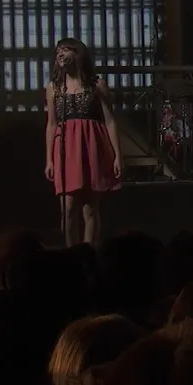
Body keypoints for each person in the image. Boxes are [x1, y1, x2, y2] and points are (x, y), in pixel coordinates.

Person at [45, 38, 122, 247]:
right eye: (58, 51)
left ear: (78, 54)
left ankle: (89, 252)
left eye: (66, 50)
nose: (60, 54)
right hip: (66, 148)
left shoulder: (96, 85)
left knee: (90, 207)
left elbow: (110, 121)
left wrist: (117, 156)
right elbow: (51, 124)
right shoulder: (54, 88)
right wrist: (49, 160)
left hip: (92, 145)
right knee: (68, 207)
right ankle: (71, 252)